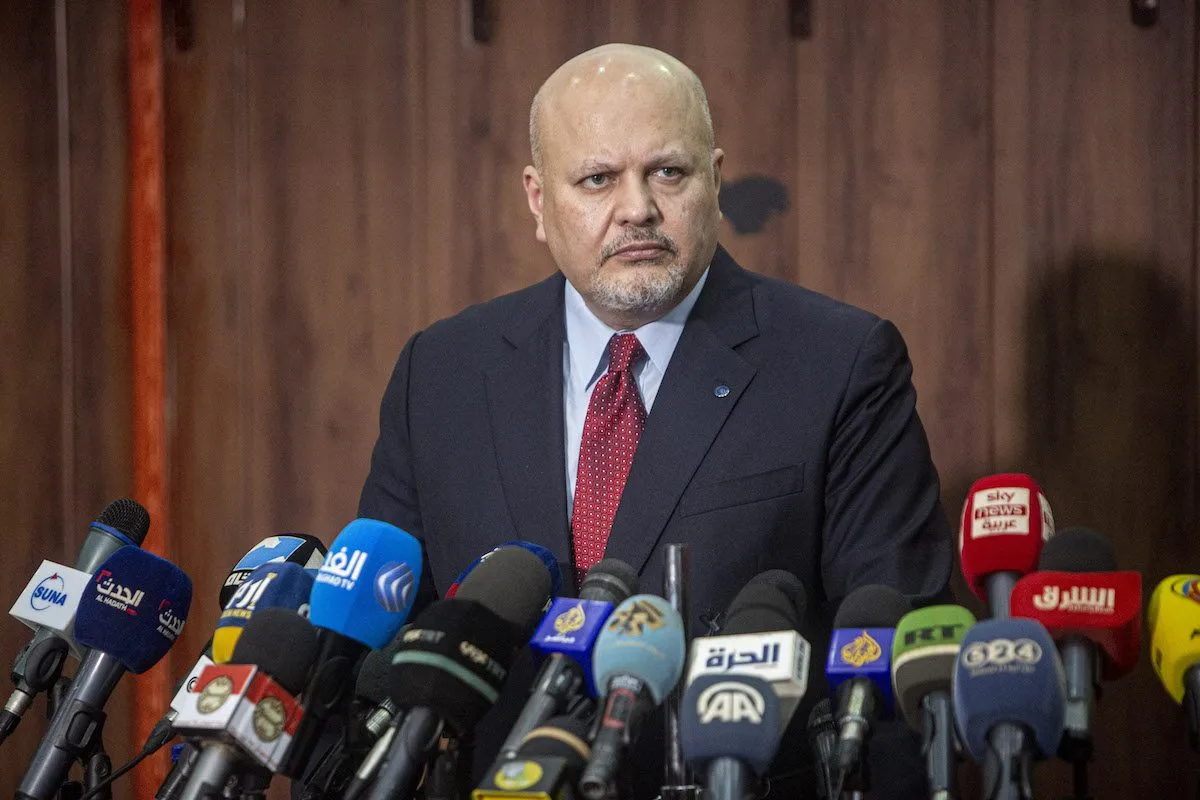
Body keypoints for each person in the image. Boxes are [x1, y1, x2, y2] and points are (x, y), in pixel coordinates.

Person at [359, 43, 952, 799]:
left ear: (715, 177)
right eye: (598, 178)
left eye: (667, 172)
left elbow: (896, 673)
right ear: (539, 201)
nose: (637, 207)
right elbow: (384, 655)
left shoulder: (839, 363)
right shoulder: (439, 373)